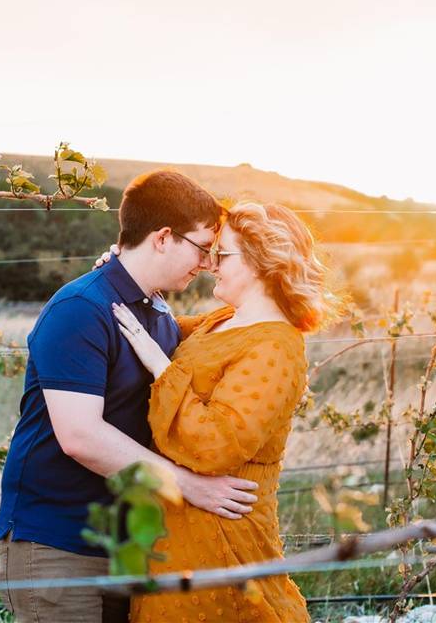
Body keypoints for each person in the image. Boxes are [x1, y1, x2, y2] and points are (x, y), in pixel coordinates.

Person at [0, 170, 260, 623]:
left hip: (127, 545)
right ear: (162, 238)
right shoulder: (80, 308)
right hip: (57, 545)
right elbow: (80, 435)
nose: (206, 263)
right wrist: (190, 486)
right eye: (201, 247)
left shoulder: (156, 312)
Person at [110, 201, 336, 623]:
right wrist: (123, 273)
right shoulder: (223, 320)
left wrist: (161, 367)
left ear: (260, 262)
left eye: (223, 253)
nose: (211, 263)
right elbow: (155, 328)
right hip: (175, 539)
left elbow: (217, 444)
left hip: (224, 543)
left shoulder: (277, 347)